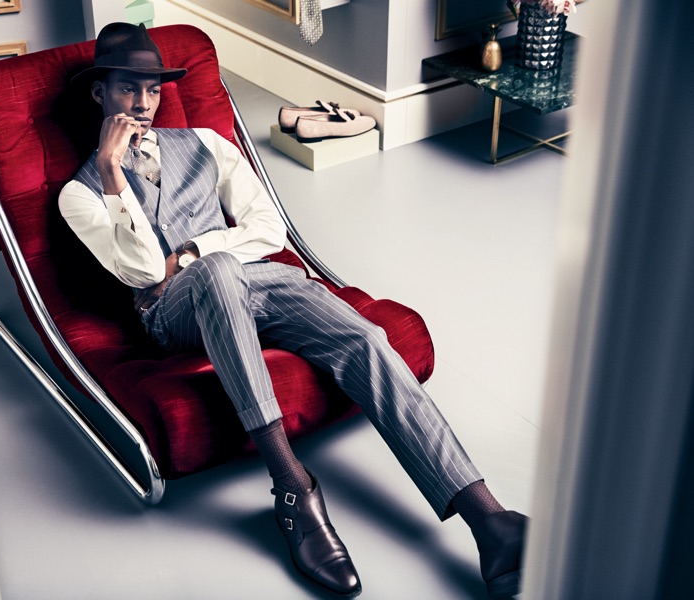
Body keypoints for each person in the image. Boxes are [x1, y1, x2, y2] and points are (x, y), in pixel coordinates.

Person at [59, 22, 527, 599]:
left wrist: (195, 250)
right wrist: (112, 173)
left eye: (152, 90)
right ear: (99, 93)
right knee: (218, 270)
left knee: (365, 339)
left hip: (259, 280)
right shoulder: (80, 192)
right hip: (174, 314)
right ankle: (292, 486)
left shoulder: (206, 144)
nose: (142, 104)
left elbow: (268, 229)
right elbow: (143, 272)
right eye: (128, 88)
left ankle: (490, 521)